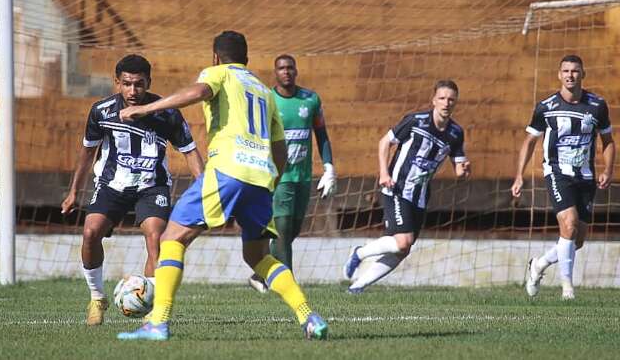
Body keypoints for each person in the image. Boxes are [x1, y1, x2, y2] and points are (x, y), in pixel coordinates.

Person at [117, 31, 328, 341]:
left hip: (228, 168)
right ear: (247, 58)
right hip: (261, 177)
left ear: (215, 56)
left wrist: (147, 108)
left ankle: (157, 323)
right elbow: (280, 148)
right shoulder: (263, 89)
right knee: (257, 256)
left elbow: (200, 91)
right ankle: (310, 317)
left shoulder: (217, 73)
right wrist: (272, 181)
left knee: (171, 238)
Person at [61, 54, 204, 326]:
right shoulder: (101, 111)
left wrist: (205, 187)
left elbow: (190, 151)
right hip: (112, 184)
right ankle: (97, 298)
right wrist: (73, 191)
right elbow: (87, 153)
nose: (133, 91)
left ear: (149, 82)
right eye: (126, 84)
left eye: (139, 84)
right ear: (117, 83)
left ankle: (153, 307)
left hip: (152, 186)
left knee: (156, 238)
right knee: (91, 232)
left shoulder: (167, 112)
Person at [343, 80, 470, 293]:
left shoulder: (456, 133)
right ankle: (359, 253)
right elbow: (385, 142)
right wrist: (384, 172)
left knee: (403, 250)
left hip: (420, 195)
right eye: (442, 98)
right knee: (403, 242)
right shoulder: (415, 121)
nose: (446, 103)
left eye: (451, 100)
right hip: (397, 187)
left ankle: (357, 287)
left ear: (455, 103)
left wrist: (465, 171)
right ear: (433, 100)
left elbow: (459, 170)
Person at [511, 55, 614, 300]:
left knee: (576, 240)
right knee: (568, 224)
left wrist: (608, 170)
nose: (570, 75)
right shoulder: (546, 107)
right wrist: (518, 176)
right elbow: (529, 141)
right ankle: (567, 289)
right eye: (566, 71)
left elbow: (608, 141)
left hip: (586, 176)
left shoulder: (597, 105)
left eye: (575, 71)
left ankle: (539, 264)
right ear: (559, 75)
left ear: (583, 74)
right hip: (557, 172)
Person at [248, 54, 336, 294]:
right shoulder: (267, 100)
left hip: (303, 176)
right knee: (283, 229)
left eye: (290, 68)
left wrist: (329, 167)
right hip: (279, 176)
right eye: (281, 68)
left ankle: (260, 274)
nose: (286, 72)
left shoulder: (310, 99)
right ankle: (288, 285)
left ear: (296, 71)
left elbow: (321, 134)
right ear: (275, 73)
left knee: (291, 231)